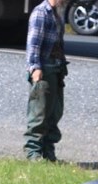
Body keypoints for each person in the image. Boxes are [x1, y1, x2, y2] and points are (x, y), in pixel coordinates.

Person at [24, 0, 67, 162]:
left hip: (56, 68)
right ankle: (33, 152)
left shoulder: (58, 13)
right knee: (39, 113)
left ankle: (48, 152)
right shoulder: (41, 12)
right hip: (43, 69)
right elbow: (33, 43)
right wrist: (35, 67)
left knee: (55, 112)